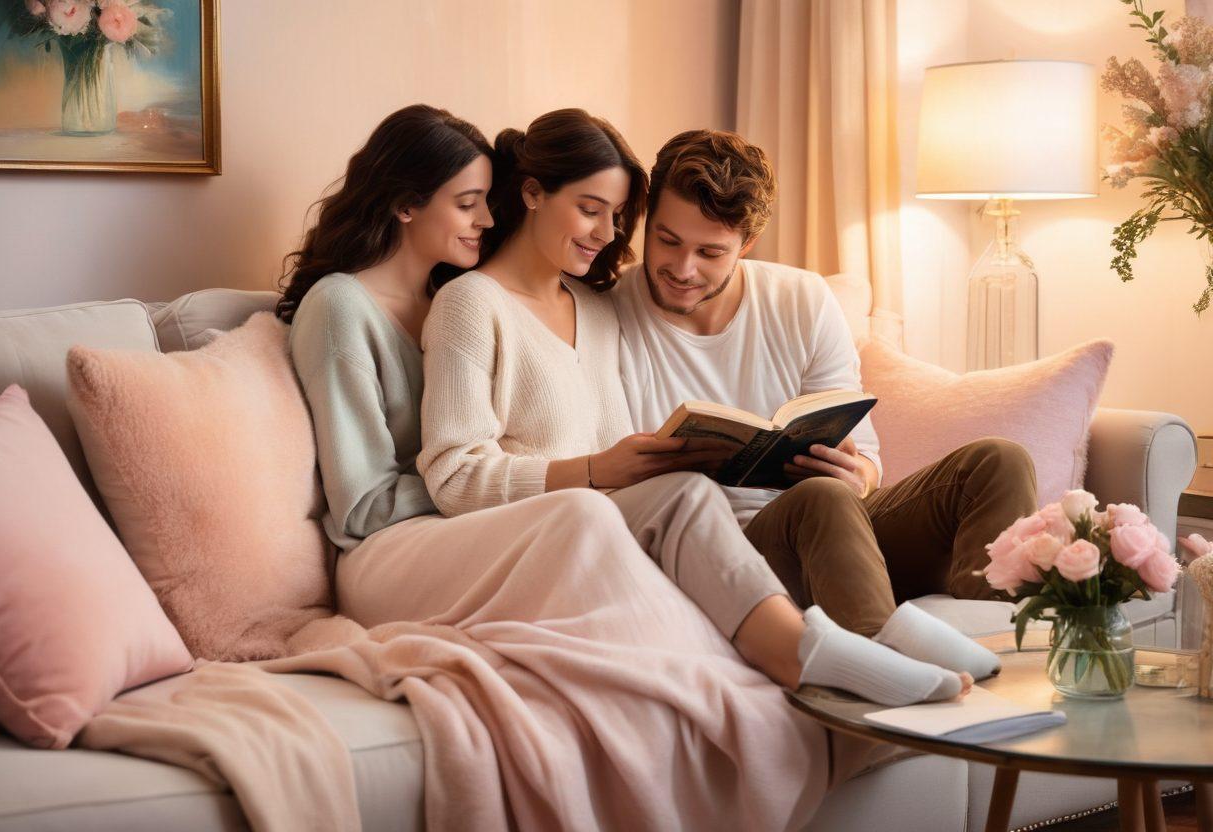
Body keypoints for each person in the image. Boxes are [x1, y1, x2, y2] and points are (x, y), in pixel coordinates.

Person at [277, 105, 849, 829]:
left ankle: (791, 658)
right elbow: (366, 504)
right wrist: (561, 479)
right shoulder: (348, 307)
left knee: (676, 494)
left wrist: (617, 471)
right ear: (404, 202)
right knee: (585, 514)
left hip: (507, 525)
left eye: (488, 198)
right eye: (468, 202)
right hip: (395, 545)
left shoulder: (474, 297)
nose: (485, 218)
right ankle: (774, 670)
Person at [419, 108, 990, 708]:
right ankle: (827, 651)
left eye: (616, 217)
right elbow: (455, 475)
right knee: (693, 494)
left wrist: (859, 470)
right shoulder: (472, 303)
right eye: (593, 210)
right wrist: (599, 471)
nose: (607, 234)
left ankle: (951, 643)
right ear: (532, 192)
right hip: (554, 529)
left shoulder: (592, 309)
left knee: (983, 464)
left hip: (618, 520)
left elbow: (617, 453)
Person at [611, 127, 1039, 648]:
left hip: (836, 534)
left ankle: (998, 657)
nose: (682, 269)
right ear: (646, 220)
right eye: (667, 240)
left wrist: (857, 474)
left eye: (710, 252)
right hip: (725, 552)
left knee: (999, 462)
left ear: (746, 243)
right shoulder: (609, 310)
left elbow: (868, 458)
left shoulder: (801, 298)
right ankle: (881, 688)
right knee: (821, 499)